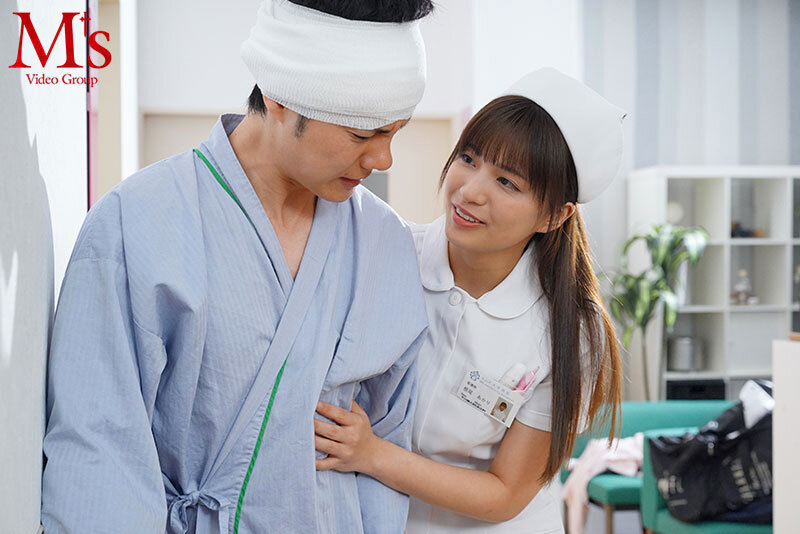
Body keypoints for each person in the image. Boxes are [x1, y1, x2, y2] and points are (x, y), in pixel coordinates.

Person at [41, 1, 433, 532]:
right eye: (363, 135)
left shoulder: (385, 243)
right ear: (279, 98)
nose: (383, 159)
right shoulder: (137, 223)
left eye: (396, 132)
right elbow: (99, 449)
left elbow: (388, 439)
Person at [314, 68, 625, 533]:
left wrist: (373, 454)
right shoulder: (387, 254)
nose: (470, 190)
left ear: (553, 216)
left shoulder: (571, 329)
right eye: (469, 158)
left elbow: (505, 494)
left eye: (508, 182)